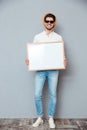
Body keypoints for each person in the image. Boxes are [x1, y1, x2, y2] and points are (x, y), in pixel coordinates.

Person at [26, 13, 67, 128]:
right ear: (44, 22)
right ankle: (40, 117)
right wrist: (29, 60)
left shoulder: (58, 37)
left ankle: (50, 118)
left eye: (51, 21)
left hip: (54, 70)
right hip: (40, 70)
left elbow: (61, 53)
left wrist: (64, 60)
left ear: (54, 23)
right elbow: (33, 54)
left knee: (53, 94)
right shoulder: (37, 37)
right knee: (37, 94)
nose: (49, 23)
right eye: (47, 21)